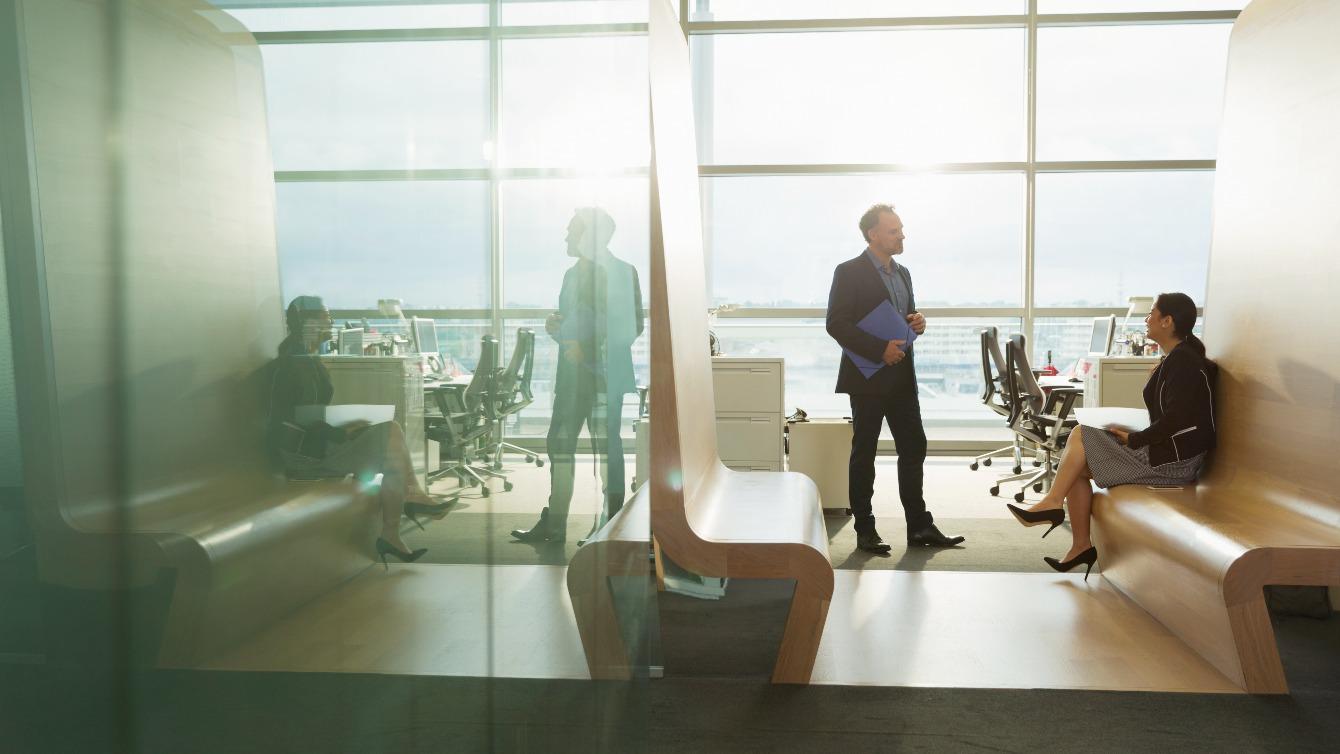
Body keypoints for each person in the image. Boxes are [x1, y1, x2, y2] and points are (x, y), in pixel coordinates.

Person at [1007, 292, 1216, 579]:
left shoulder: (1184, 362)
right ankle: (1080, 545)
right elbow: (1172, 418)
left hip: (1175, 463)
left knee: (1080, 434)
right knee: (1077, 468)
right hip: (1167, 452)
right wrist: (1135, 431)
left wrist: (1135, 439)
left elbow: (1177, 420)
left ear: (1167, 321)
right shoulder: (1175, 359)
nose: (1146, 318)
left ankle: (1053, 503)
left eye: (1151, 313)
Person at [267, 295, 451, 565]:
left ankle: (399, 518)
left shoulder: (306, 358)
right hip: (303, 455)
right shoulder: (294, 364)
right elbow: (295, 421)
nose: (330, 323)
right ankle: (401, 514)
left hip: (315, 444)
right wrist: (340, 432)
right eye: (325, 318)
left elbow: (311, 416)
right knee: (391, 437)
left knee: (392, 434)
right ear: (308, 324)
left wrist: (344, 426)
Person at [826, 204, 966, 554]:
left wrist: (917, 321)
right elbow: (836, 323)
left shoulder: (903, 272)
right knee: (865, 453)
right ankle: (865, 530)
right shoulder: (849, 271)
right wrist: (878, 350)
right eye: (893, 230)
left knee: (913, 446)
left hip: (902, 375)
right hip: (869, 377)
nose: (902, 235)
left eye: (901, 229)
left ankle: (919, 526)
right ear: (873, 234)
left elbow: (904, 316)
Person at [511, 207, 644, 545]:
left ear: (591, 235)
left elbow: (632, 326)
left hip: (603, 379)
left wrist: (593, 348)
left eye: (572, 230)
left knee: (607, 453)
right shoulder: (571, 275)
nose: (566, 236)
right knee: (560, 447)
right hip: (571, 379)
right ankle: (555, 525)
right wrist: (557, 326)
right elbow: (569, 321)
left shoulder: (623, 272)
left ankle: (610, 527)